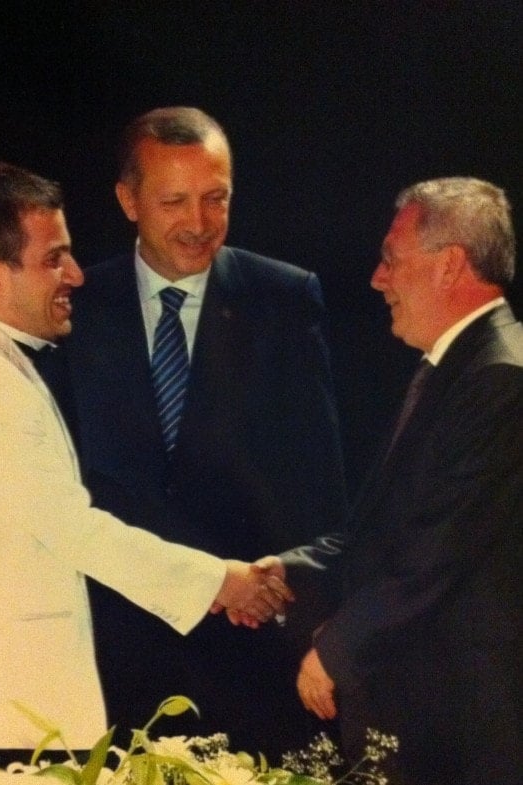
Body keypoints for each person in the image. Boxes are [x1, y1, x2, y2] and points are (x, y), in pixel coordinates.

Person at [0, 161, 293, 771]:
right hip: (10, 708)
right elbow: (74, 530)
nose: (76, 275)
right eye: (53, 259)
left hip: (7, 702)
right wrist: (219, 581)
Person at [42, 106, 347, 762]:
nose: (200, 223)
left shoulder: (284, 298)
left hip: (255, 655)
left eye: (216, 198)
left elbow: (319, 489)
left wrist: (315, 619)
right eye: (174, 201)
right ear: (128, 200)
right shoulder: (75, 309)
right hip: (113, 659)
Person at [290, 177, 522, 785]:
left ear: (449, 265)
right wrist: (276, 572)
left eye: (391, 259)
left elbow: (434, 554)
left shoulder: (501, 378)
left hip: (470, 733)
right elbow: (381, 530)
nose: (377, 279)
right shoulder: (457, 368)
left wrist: (334, 649)